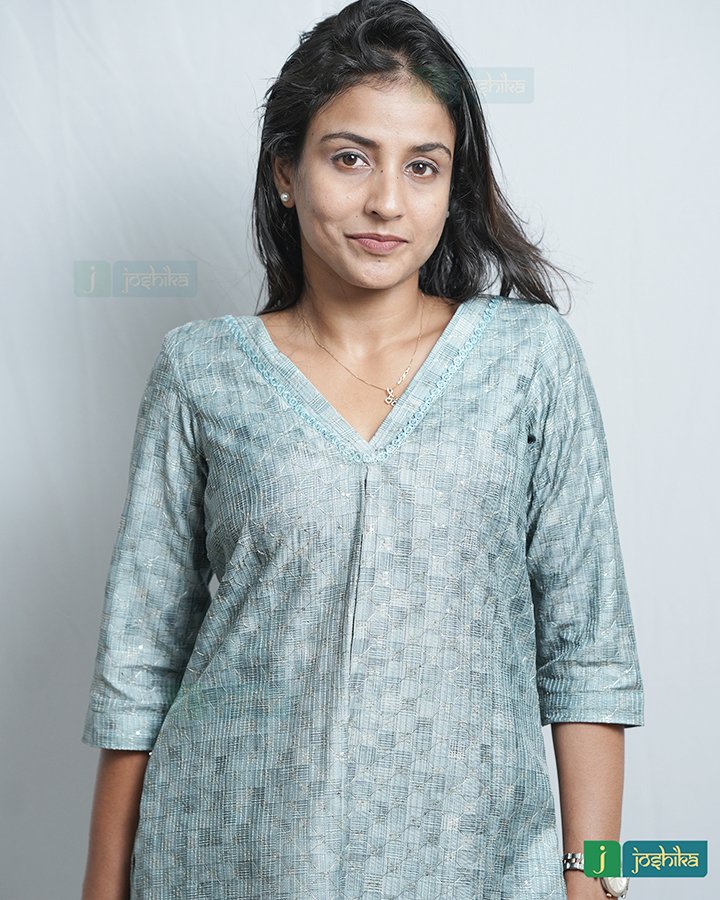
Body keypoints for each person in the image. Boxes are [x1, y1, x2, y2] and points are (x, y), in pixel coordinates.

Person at [80, 1, 644, 898]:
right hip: (225, 862)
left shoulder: (527, 362)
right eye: (350, 158)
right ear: (286, 172)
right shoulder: (201, 372)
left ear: (452, 187)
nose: (387, 200)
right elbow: (138, 667)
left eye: (423, 166)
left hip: (474, 871)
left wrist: (595, 882)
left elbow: (589, 654)